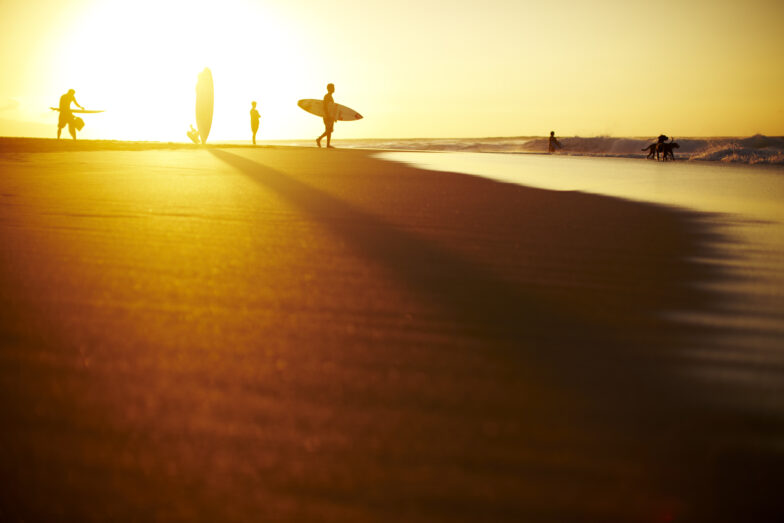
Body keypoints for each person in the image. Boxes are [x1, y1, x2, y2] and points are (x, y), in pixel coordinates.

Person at [317, 83, 336, 148]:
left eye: (334, 88)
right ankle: (319, 139)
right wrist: (327, 115)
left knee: (330, 130)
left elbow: (332, 108)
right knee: (328, 130)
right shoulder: (327, 96)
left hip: (330, 116)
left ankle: (327, 144)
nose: (334, 89)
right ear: (329, 89)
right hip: (327, 116)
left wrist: (334, 117)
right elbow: (325, 106)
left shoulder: (330, 96)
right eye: (333, 88)